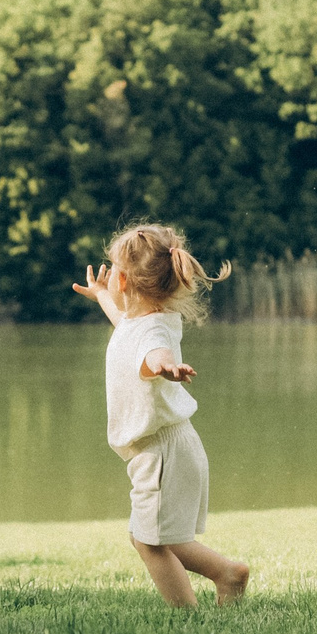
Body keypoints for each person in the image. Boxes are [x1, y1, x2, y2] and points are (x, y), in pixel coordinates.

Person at [71, 224, 249, 607]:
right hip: (162, 450)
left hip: (162, 452)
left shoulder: (151, 332)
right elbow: (124, 323)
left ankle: (209, 592)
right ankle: (225, 575)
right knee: (156, 538)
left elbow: (155, 354)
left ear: (123, 279)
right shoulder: (141, 322)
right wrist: (102, 295)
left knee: (149, 542)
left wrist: (167, 368)